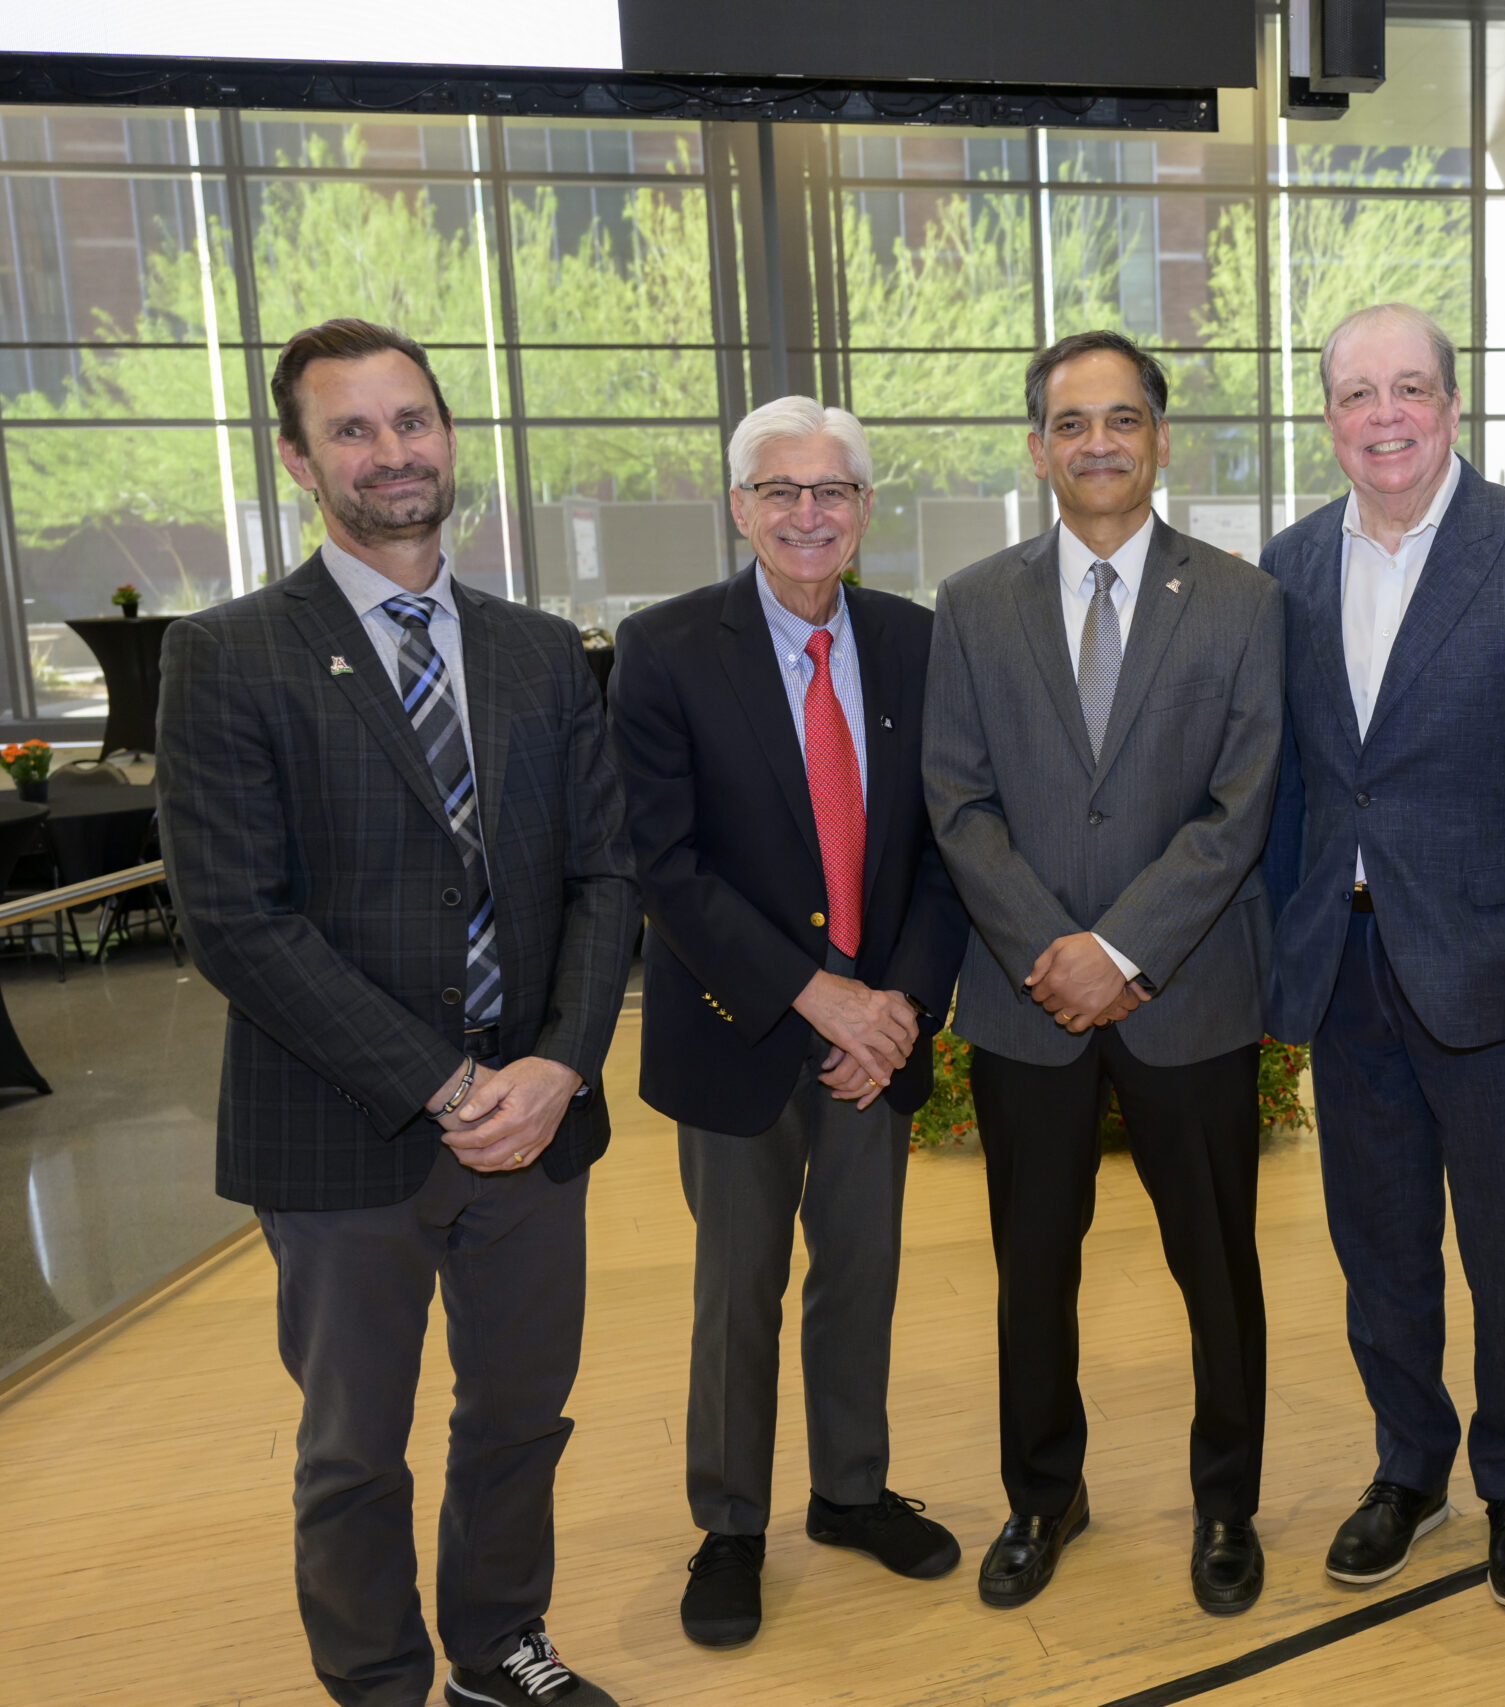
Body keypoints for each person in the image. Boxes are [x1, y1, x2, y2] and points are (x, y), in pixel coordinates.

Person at [156, 318, 638, 1707]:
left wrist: (555, 1062)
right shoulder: (230, 654)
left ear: (446, 432)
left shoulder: (545, 651)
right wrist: (443, 1081)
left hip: (536, 1127)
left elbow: (604, 874)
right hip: (342, 1131)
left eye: (411, 420)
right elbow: (237, 922)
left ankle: (497, 1645)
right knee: (355, 1445)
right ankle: (374, 1678)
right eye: (353, 429)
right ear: (297, 456)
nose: (392, 452)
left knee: (518, 1416)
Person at [1261, 302, 1505, 1611]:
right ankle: (1408, 1463)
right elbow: (1287, 786)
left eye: (1409, 387)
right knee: (1379, 1246)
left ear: (1452, 406)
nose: (1384, 416)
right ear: (1330, 417)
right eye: (1357, 394)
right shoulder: (1290, 565)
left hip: (1497, 977)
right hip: (1348, 971)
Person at [922, 330, 1284, 1616]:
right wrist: (1051, 954)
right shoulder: (970, 605)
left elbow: (1241, 805)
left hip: (1188, 994)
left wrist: (1120, 950)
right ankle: (1043, 1494)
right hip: (1027, 1005)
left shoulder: (1242, 602)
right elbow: (956, 802)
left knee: (1217, 1267)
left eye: (1121, 419)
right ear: (1037, 447)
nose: (1098, 444)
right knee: (1033, 1266)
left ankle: (1227, 1503)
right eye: (1071, 423)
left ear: (1160, 439)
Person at [608, 396, 972, 1649]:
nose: (808, 514)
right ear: (739, 506)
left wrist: (900, 1009)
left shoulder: (918, 643)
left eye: (833, 492)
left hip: (877, 1043)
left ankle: (850, 1492)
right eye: (781, 491)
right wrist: (813, 993)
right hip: (739, 1029)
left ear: (866, 510)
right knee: (738, 1289)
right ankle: (730, 1527)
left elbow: (941, 848)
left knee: (861, 1275)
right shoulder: (662, 648)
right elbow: (665, 864)